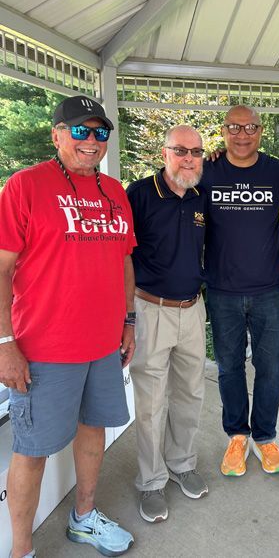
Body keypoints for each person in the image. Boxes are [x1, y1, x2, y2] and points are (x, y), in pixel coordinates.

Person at [0, 95, 136, 558]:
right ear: (56, 133)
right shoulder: (25, 186)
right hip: (44, 348)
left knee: (94, 429)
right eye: (80, 130)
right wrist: (4, 343)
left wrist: (128, 318)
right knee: (32, 450)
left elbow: (123, 260)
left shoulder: (115, 192)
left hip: (102, 343)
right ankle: (21, 551)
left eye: (100, 132)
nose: (91, 141)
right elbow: (1, 269)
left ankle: (83, 517)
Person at [201, 105, 279, 477]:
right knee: (229, 368)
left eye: (250, 127)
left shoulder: (278, 172)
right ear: (223, 131)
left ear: (261, 130)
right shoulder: (207, 170)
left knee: (270, 367)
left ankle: (266, 437)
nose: (243, 134)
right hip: (221, 289)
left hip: (269, 289)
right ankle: (237, 435)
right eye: (234, 128)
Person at [126, 125, 208, 524]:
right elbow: (121, 258)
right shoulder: (140, 195)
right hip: (150, 309)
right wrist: (124, 315)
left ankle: (181, 462)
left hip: (193, 310)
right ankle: (152, 481)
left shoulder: (200, 196)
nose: (188, 158)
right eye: (180, 151)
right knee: (151, 404)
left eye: (195, 151)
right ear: (165, 153)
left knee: (191, 393)